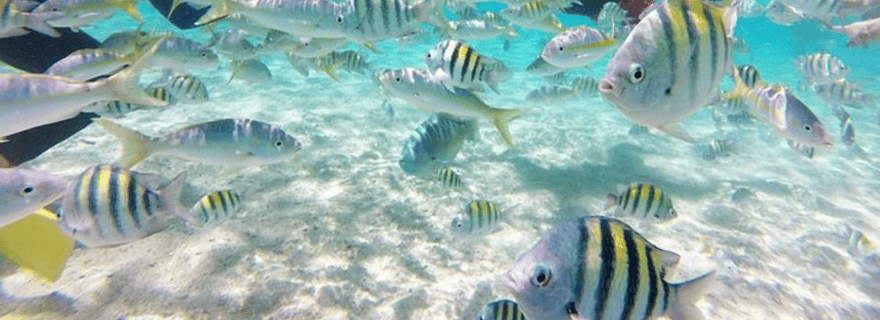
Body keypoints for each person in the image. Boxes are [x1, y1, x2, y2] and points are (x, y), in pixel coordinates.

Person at [0, 0, 208, 167]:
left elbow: (185, 17)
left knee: (102, 85)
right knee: (98, 85)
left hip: (31, 16)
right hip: (14, 17)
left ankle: (6, 162)